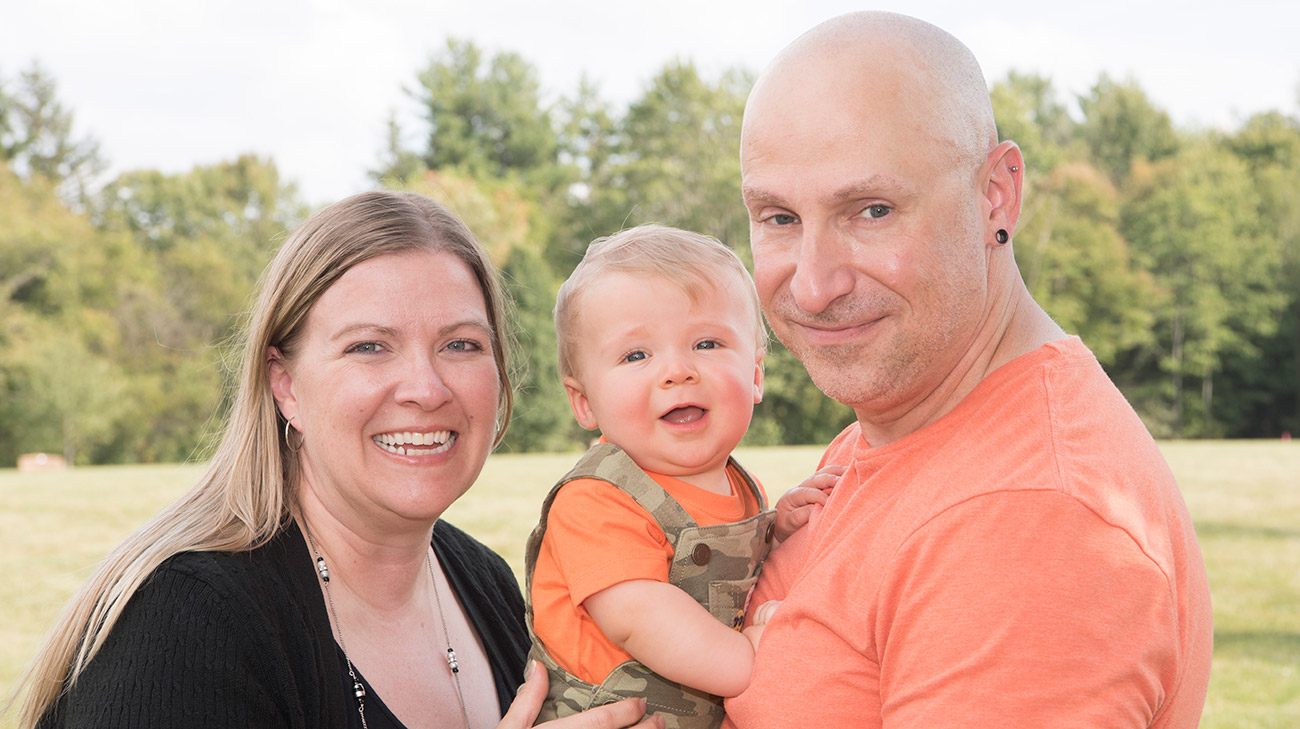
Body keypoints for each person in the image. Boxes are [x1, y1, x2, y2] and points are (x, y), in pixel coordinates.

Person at [724, 11, 1213, 729]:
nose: (812, 284)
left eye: (872, 209)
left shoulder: (1029, 516)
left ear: (996, 196)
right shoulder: (903, 424)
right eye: (778, 218)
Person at [9, 191, 659, 729]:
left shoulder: (483, 580)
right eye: (370, 346)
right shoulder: (180, 623)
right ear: (285, 383)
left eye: (461, 344)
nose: (426, 388)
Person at [524, 226, 840, 728]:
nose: (677, 371)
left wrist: (774, 531)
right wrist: (752, 657)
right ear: (584, 402)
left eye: (707, 343)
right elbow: (639, 616)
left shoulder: (741, 486)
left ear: (756, 374)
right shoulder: (596, 500)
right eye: (636, 355)